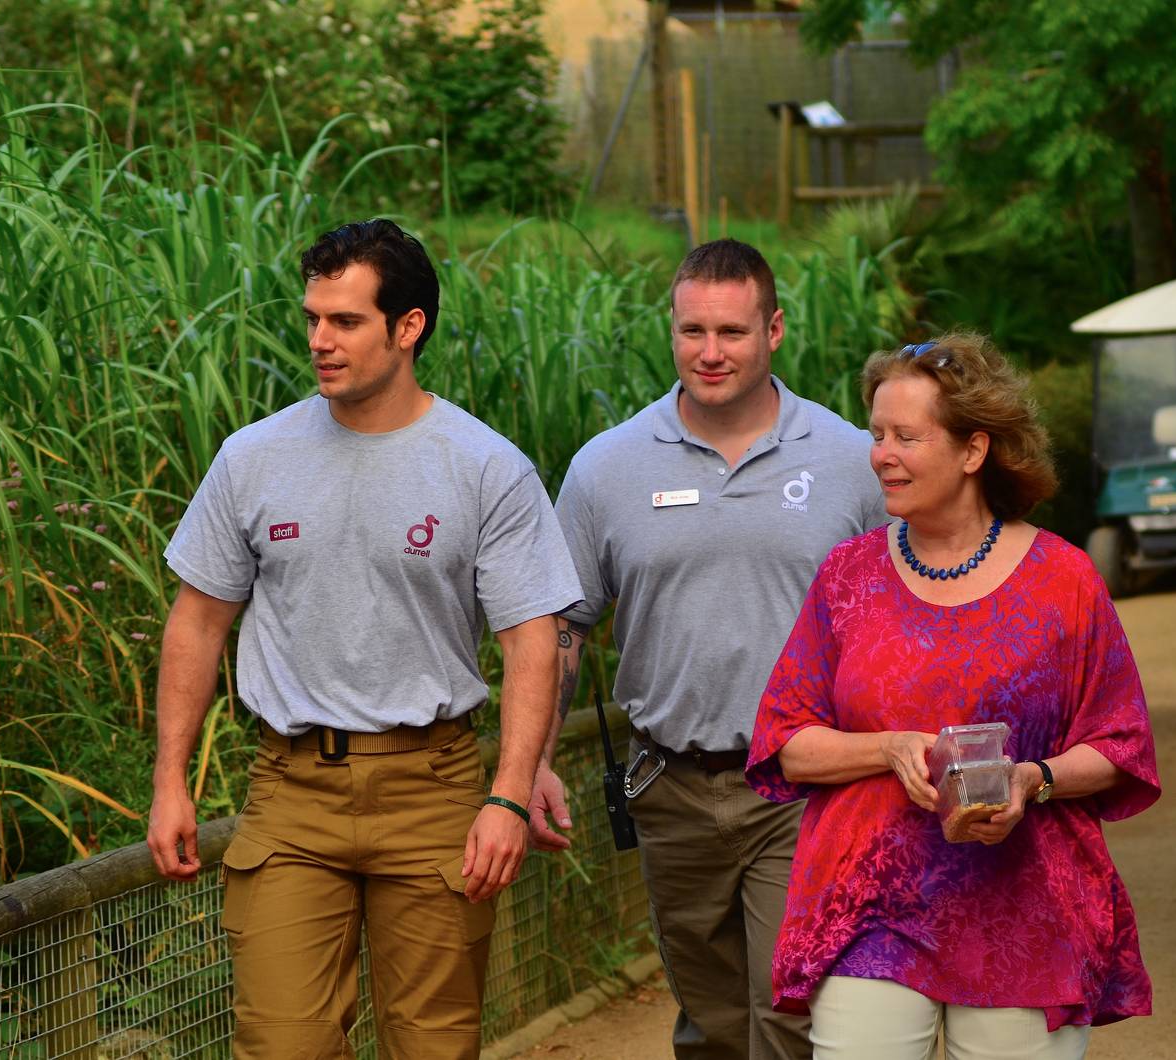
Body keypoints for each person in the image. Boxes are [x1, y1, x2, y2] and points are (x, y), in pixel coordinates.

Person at [146, 219, 581, 1059]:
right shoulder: (253, 458)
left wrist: (508, 793)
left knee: (432, 1047)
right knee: (281, 1046)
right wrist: (170, 779)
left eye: (344, 321)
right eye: (312, 317)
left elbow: (534, 640)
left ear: (408, 326)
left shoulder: (484, 466)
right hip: (292, 790)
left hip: (436, 792)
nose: (319, 339)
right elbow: (197, 622)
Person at [746, 332, 1161, 1060]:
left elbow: (1121, 747)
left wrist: (1035, 779)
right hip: (870, 904)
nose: (881, 454)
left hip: (1024, 907)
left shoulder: (1064, 582)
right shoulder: (848, 579)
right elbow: (787, 741)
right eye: (877, 434)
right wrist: (889, 747)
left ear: (973, 450)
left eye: (906, 436)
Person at [533, 239, 887, 1060]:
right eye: (693, 331)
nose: (711, 352)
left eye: (732, 331)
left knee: (791, 1013)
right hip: (669, 788)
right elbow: (562, 625)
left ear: (775, 330)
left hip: (806, 788)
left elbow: (905, 619)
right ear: (671, 330)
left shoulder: (850, 463)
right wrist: (535, 759)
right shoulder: (605, 469)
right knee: (713, 1024)